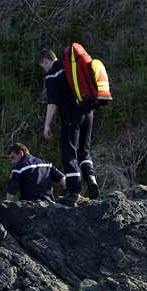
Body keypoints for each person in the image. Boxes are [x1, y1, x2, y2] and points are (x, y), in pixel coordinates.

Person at [39, 47, 99, 199]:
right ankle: (91, 178)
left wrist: (47, 125)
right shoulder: (70, 68)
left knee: (69, 151)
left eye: (43, 66)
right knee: (84, 151)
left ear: (46, 61)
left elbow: (52, 103)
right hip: (88, 111)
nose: (44, 70)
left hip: (71, 115)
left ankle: (74, 191)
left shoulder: (52, 74)